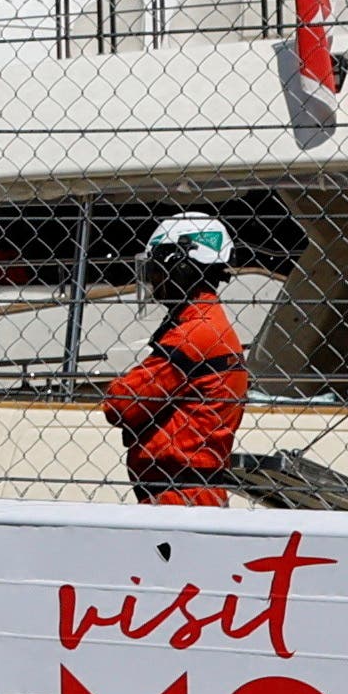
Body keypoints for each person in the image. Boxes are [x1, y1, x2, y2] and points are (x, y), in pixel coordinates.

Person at [100, 212, 248, 508]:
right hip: (185, 491)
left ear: (181, 267)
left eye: (156, 270)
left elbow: (121, 404)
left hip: (181, 498)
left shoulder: (194, 335)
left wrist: (121, 386)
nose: (153, 282)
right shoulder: (205, 326)